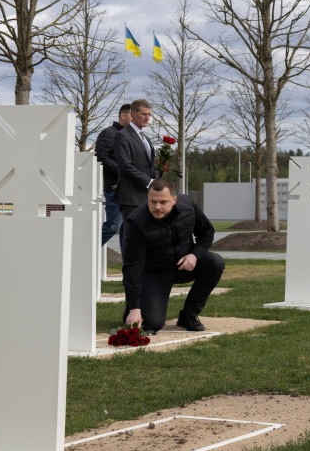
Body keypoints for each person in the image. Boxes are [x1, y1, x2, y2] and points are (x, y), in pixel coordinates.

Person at [122, 178, 224, 333]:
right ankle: (134, 307)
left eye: (163, 202)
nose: (157, 207)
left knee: (215, 262)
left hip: (184, 265)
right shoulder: (136, 222)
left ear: (174, 199)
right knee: (152, 324)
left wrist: (194, 255)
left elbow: (207, 233)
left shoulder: (188, 207)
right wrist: (135, 307)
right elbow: (133, 266)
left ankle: (189, 316)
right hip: (154, 273)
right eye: (153, 201)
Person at [113, 99, 157, 250]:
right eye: (143, 114)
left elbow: (150, 166)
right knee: (132, 238)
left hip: (147, 195)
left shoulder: (146, 139)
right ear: (132, 114)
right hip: (130, 197)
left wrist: (157, 183)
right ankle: (130, 273)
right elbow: (125, 166)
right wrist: (149, 182)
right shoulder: (122, 136)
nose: (147, 118)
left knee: (147, 237)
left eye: (149, 115)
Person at [94, 104, 131, 246]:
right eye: (132, 116)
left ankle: (128, 267)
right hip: (114, 189)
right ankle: (82, 251)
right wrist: (125, 171)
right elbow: (101, 157)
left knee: (126, 230)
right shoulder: (108, 133)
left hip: (130, 190)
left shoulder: (132, 136)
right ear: (123, 115)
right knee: (113, 226)